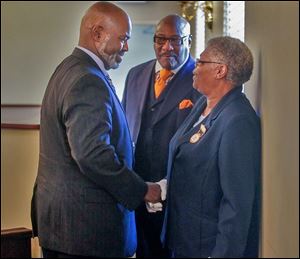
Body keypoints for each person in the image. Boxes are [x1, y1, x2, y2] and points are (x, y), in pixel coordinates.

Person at [31, 2, 162, 258]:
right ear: (98, 34)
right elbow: (92, 154)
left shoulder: (69, 68)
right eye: (123, 39)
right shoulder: (87, 79)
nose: (126, 47)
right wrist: (142, 189)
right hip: (86, 232)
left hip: (67, 228)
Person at [161, 36, 261, 258]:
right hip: (184, 240)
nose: (194, 68)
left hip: (206, 248)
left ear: (220, 71)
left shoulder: (237, 121)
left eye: (200, 62)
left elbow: (236, 205)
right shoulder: (203, 105)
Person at [122, 14, 201, 258]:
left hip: (176, 190)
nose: (167, 47)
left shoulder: (200, 78)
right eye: (161, 40)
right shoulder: (135, 74)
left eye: (176, 40)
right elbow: (126, 125)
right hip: (137, 186)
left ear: (188, 40)